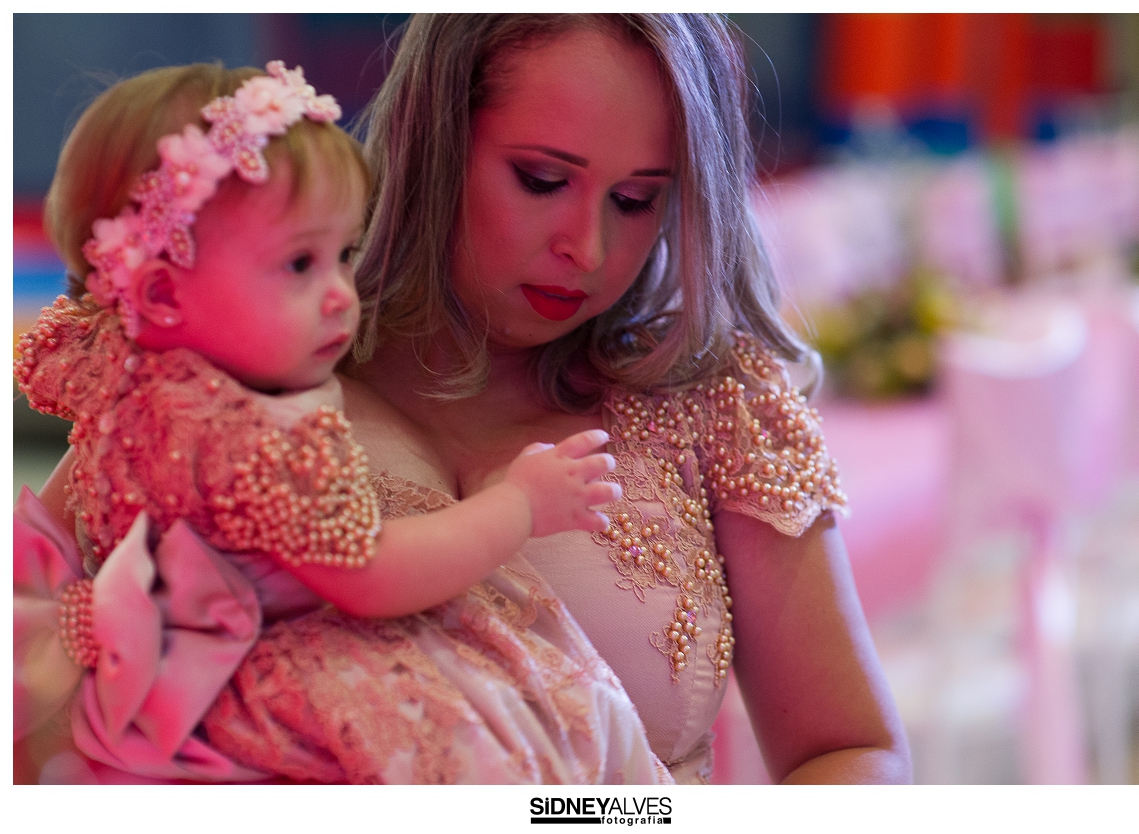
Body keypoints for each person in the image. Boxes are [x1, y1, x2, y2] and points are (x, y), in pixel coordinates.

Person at [14, 60, 670, 785]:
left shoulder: (118, 372)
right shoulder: (255, 437)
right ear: (163, 294)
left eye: (344, 254)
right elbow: (373, 575)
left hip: (154, 689)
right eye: (300, 263)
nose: (339, 295)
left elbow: (50, 533)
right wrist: (517, 504)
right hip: (278, 689)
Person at [331, 13, 912, 784]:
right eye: (542, 180)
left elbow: (853, 751)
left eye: (636, 199)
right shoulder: (255, 382)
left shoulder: (713, 399)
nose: (588, 248)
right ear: (432, 136)